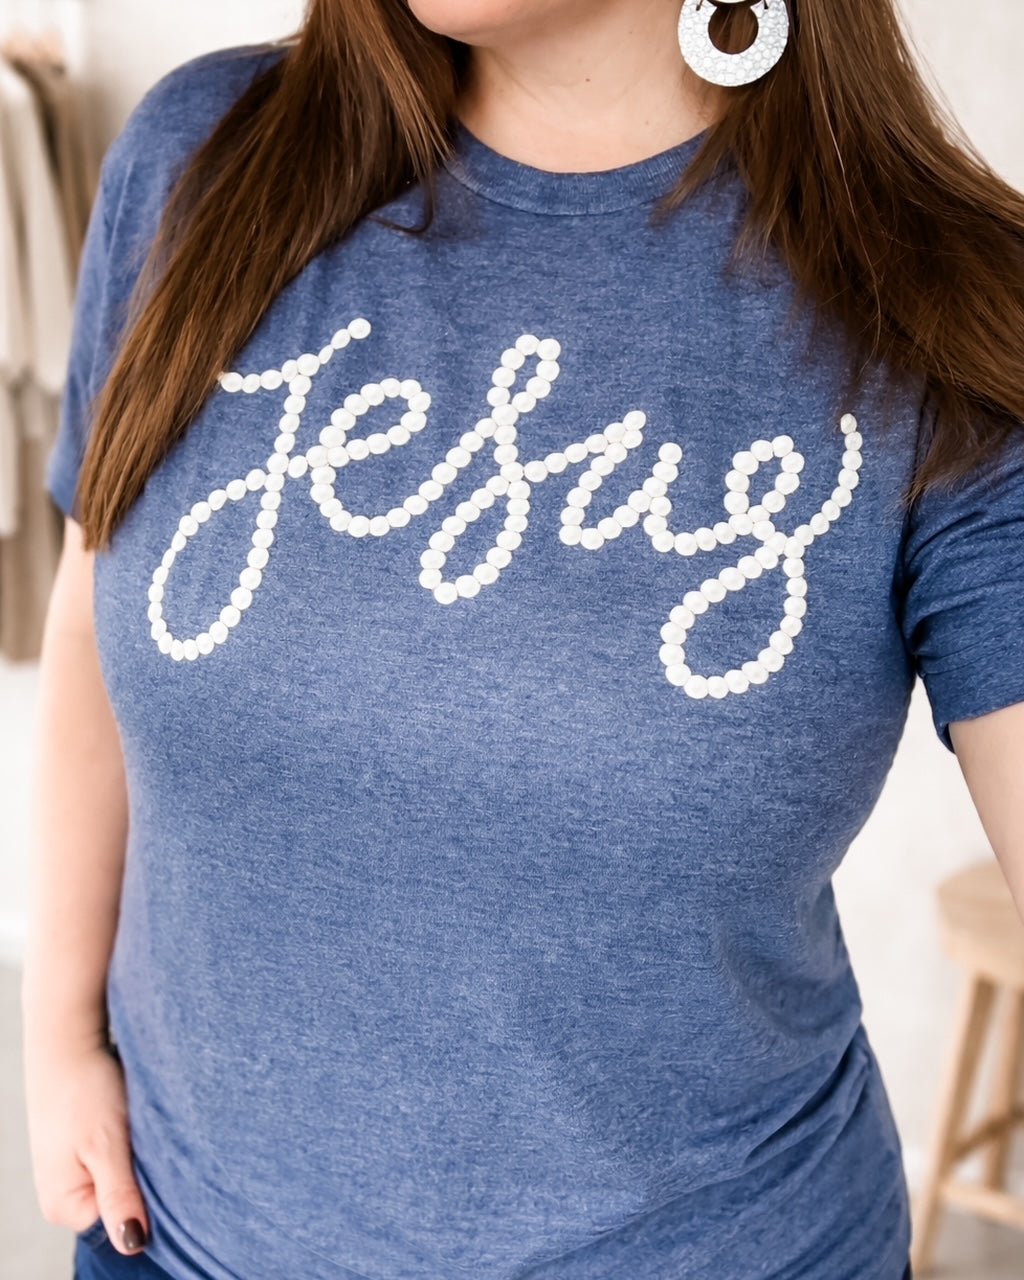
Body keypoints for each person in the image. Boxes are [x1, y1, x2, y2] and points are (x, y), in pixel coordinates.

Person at [20, 0, 1024, 1277]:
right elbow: (93, 622)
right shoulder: (202, 157)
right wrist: (57, 1037)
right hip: (171, 1237)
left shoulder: (947, 309)